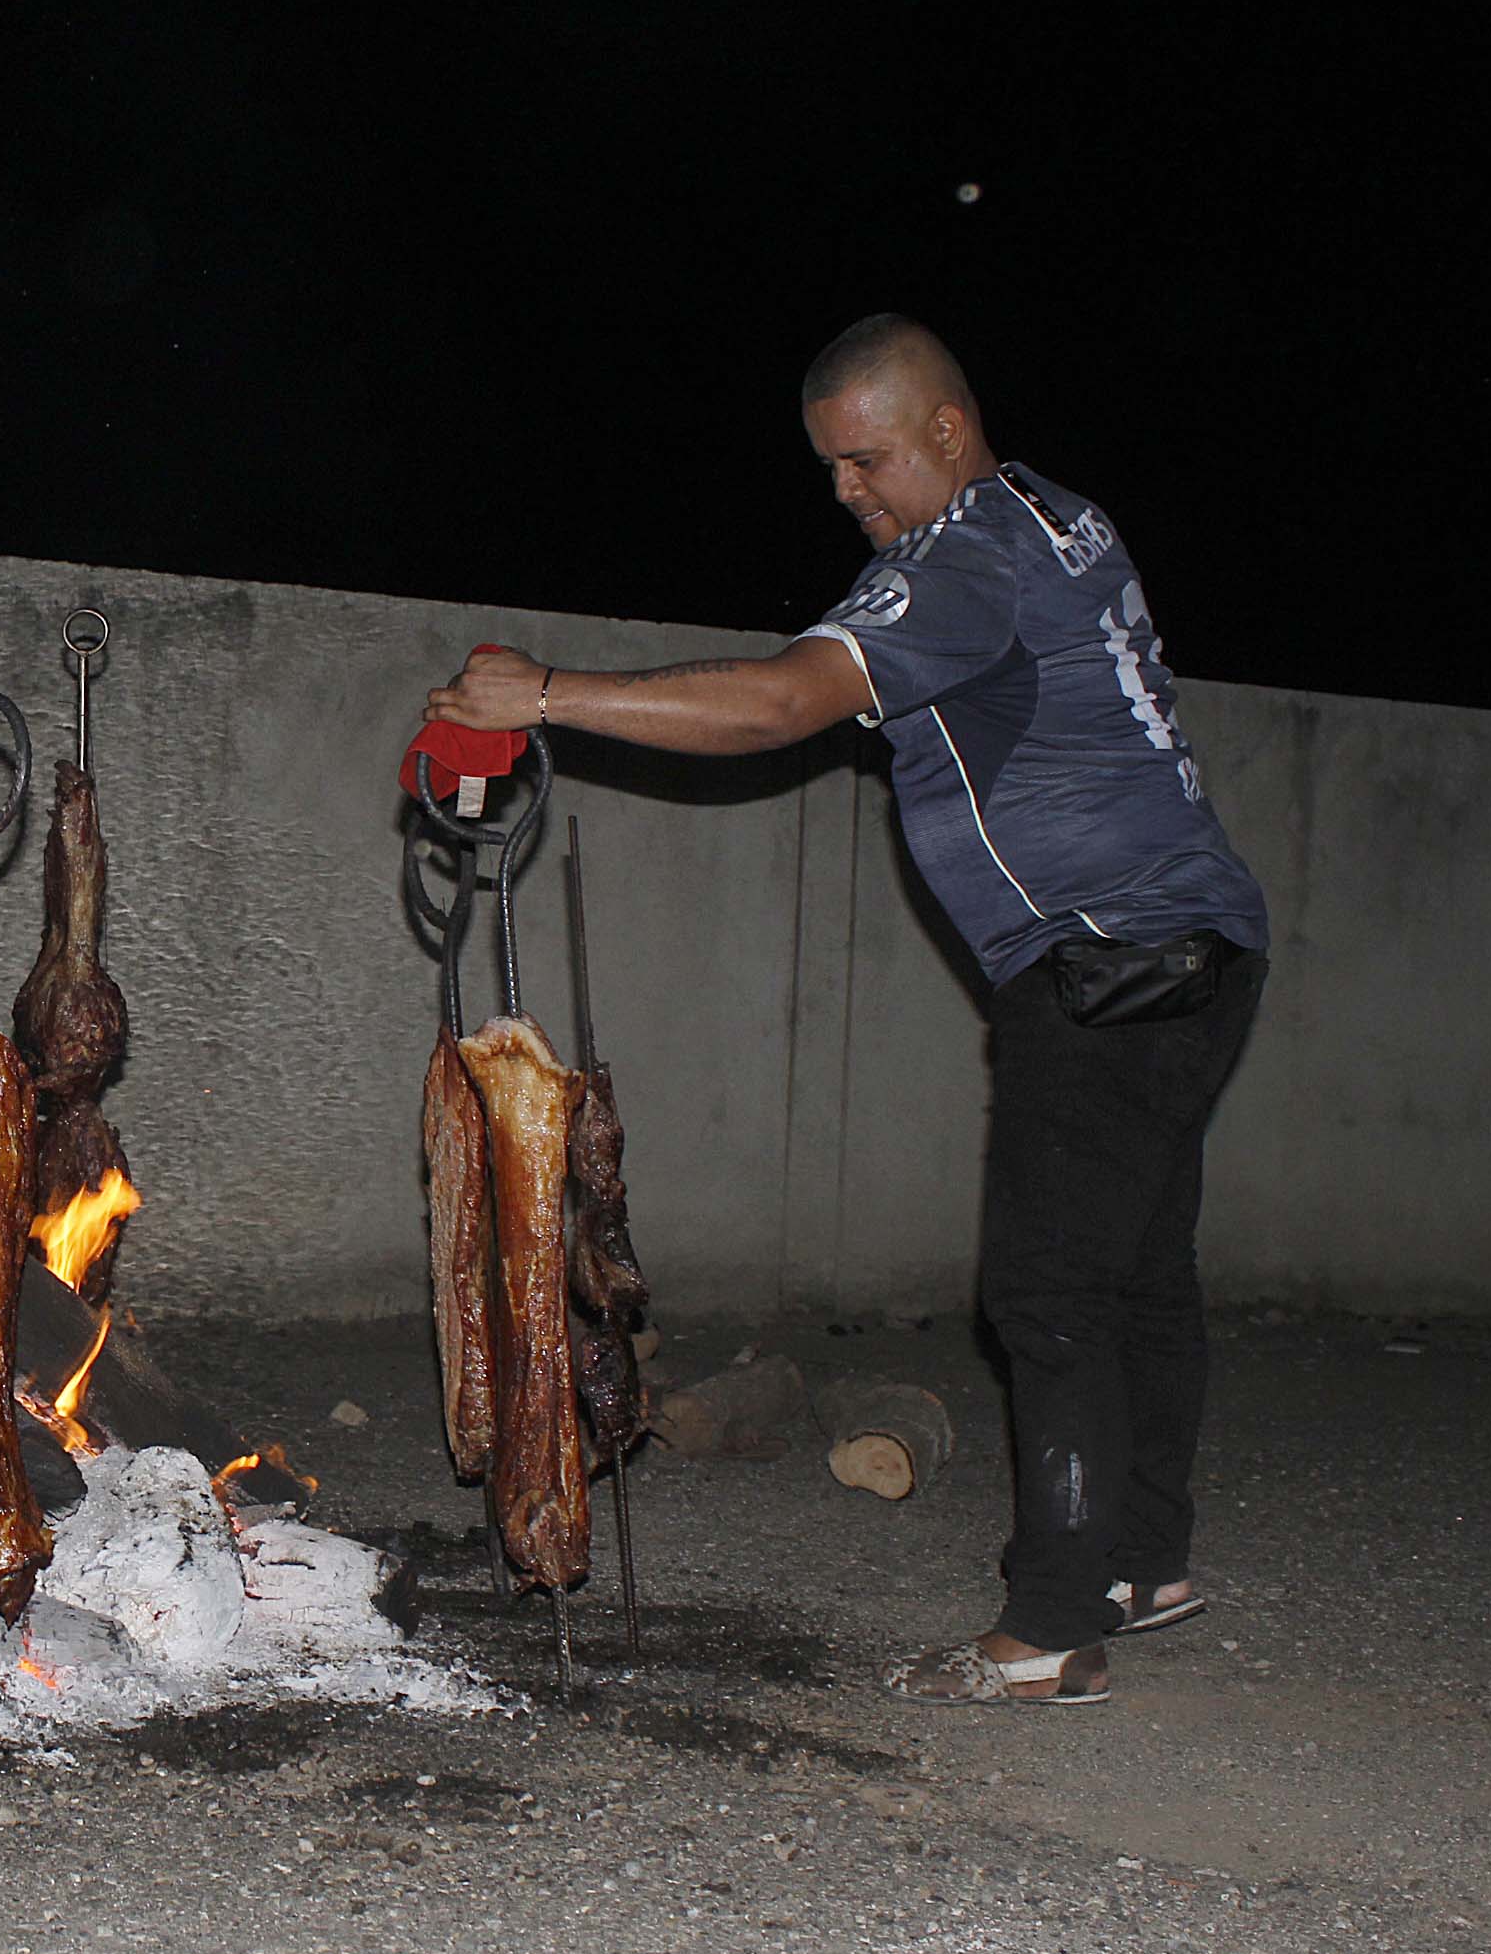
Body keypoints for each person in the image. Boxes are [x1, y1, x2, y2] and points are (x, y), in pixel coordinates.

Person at [425, 314, 1268, 1707]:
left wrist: (547, 697)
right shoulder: (1054, 516)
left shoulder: (967, 555)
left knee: (1050, 1292)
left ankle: (1052, 1628)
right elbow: (1007, 709)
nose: (848, 496)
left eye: (869, 462)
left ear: (946, 428)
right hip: (1203, 943)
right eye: (828, 469)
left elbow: (773, 705)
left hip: (1104, 963)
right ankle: (1141, 1559)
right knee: (1139, 1273)